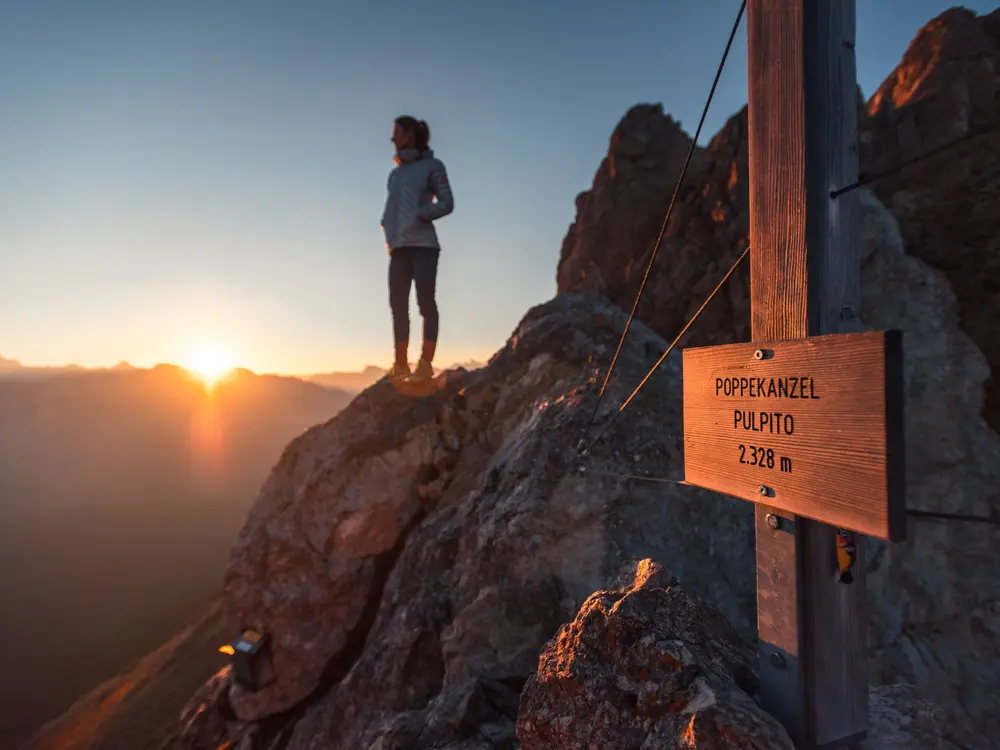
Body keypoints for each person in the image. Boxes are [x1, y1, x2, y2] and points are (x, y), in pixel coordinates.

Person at [380, 115, 454, 381]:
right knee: (398, 306)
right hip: (398, 247)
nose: (392, 139)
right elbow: (392, 208)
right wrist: (387, 227)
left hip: (423, 245)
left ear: (409, 134)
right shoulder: (395, 174)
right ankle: (400, 365)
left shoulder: (432, 166)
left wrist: (421, 214)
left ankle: (425, 364)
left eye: (396, 133)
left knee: (425, 303)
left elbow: (447, 202)